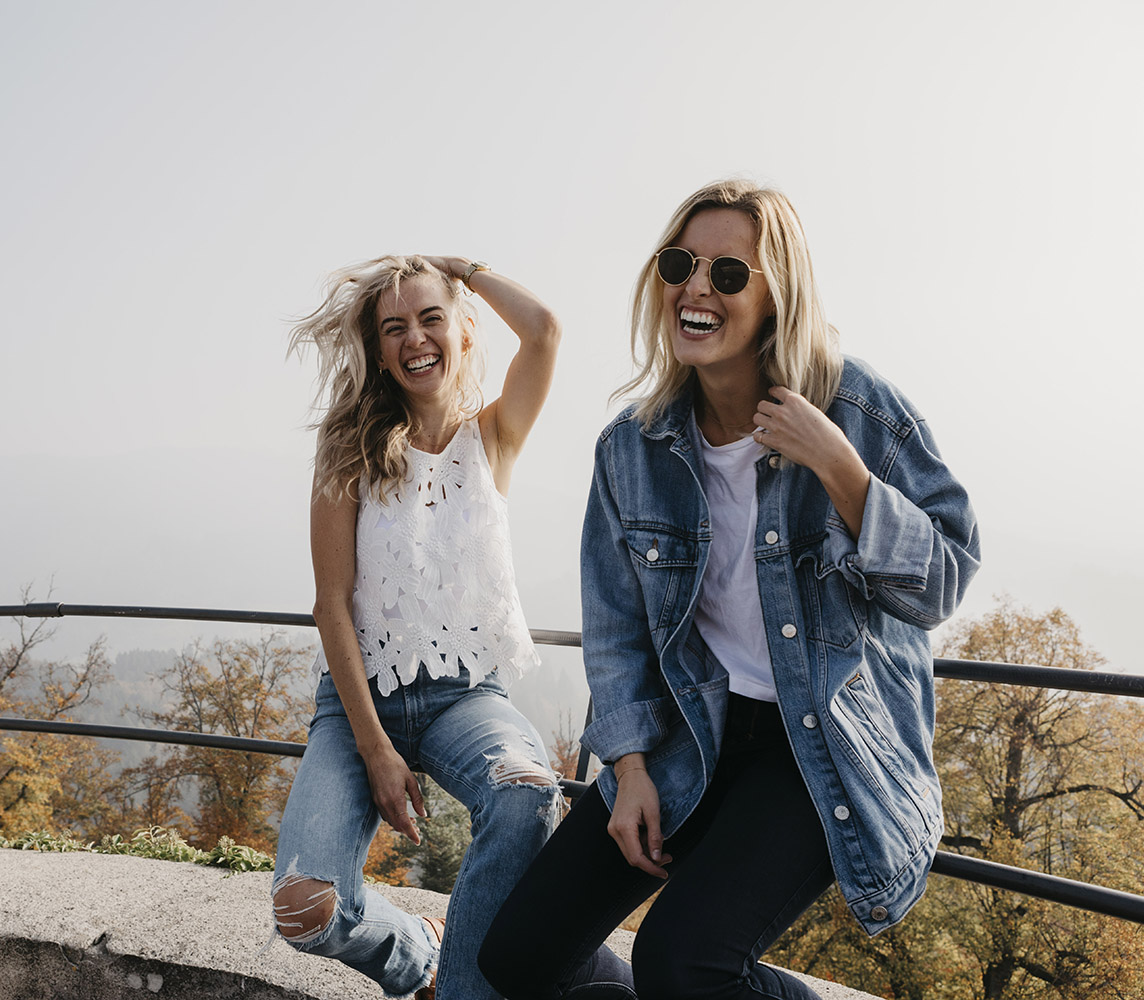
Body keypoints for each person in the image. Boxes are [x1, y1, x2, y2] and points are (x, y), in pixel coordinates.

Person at [479, 179, 980, 1000]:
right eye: (681, 263)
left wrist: (840, 469)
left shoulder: (855, 408)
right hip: (695, 735)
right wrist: (631, 765)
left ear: (777, 296)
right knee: (521, 957)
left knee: (681, 962)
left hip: (821, 745)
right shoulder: (632, 449)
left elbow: (943, 580)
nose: (696, 287)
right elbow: (615, 630)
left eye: (729, 272)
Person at [272, 254, 562, 1000]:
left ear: (463, 331)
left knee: (527, 790)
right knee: (305, 910)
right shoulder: (348, 448)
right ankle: (416, 951)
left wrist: (464, 270)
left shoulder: (492, 438)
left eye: (431, 318)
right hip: (359, 704)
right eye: (393, 326)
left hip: (466, 698)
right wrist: (375, 749)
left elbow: (544, 330)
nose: (415, 338)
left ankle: (462, 990)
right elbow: (331, 603)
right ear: (377, 349)